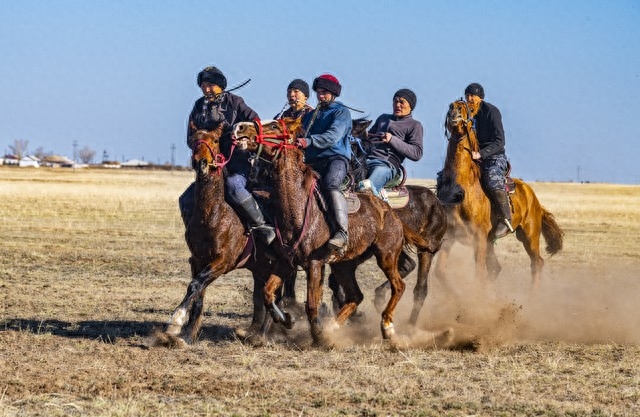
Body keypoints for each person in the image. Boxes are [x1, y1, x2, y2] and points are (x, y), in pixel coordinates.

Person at [180, 66, 276, 244]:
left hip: (238, 163)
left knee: (233, 186)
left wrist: (244, 139)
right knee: (186, 199)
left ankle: (261, 225)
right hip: (211, 167)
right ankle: (194, 236)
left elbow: (255, 122)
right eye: (203, 85)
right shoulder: (198, 105)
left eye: (210, 85)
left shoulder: (235, 102)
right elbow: (191, 137)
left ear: (220, 86)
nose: (206, 89)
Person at [297, 74, 352, 250]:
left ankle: (342, 233)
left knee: (331, 184)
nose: (321, 96)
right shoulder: (310, 115)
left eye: (325, 92)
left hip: (335, 159)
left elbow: (333, 137)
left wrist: (309, 141)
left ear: (334, 93)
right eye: (319, 92)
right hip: (312, 161)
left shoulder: (341, 112)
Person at [464, 82, 514, 239]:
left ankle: (505, 219)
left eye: (472, 96)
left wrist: (482, 153)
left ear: (480, 98)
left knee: (492, 178)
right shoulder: (467, 114)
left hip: (494, 156)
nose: (469, 99)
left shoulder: (492, 111)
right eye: (467, 96)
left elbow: (500, 141)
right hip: (473, 156)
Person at [357, 88, 423, 200]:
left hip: (385, 165)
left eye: (402, 102)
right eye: (395, 101)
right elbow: (366, 140)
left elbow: (417, 153)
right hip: (364, 161)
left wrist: (392, 139)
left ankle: (381, 201)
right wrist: (362, 135)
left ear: (411, 106)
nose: (397, 105)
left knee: (365, 187)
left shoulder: (415, 125)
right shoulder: (383, 118)